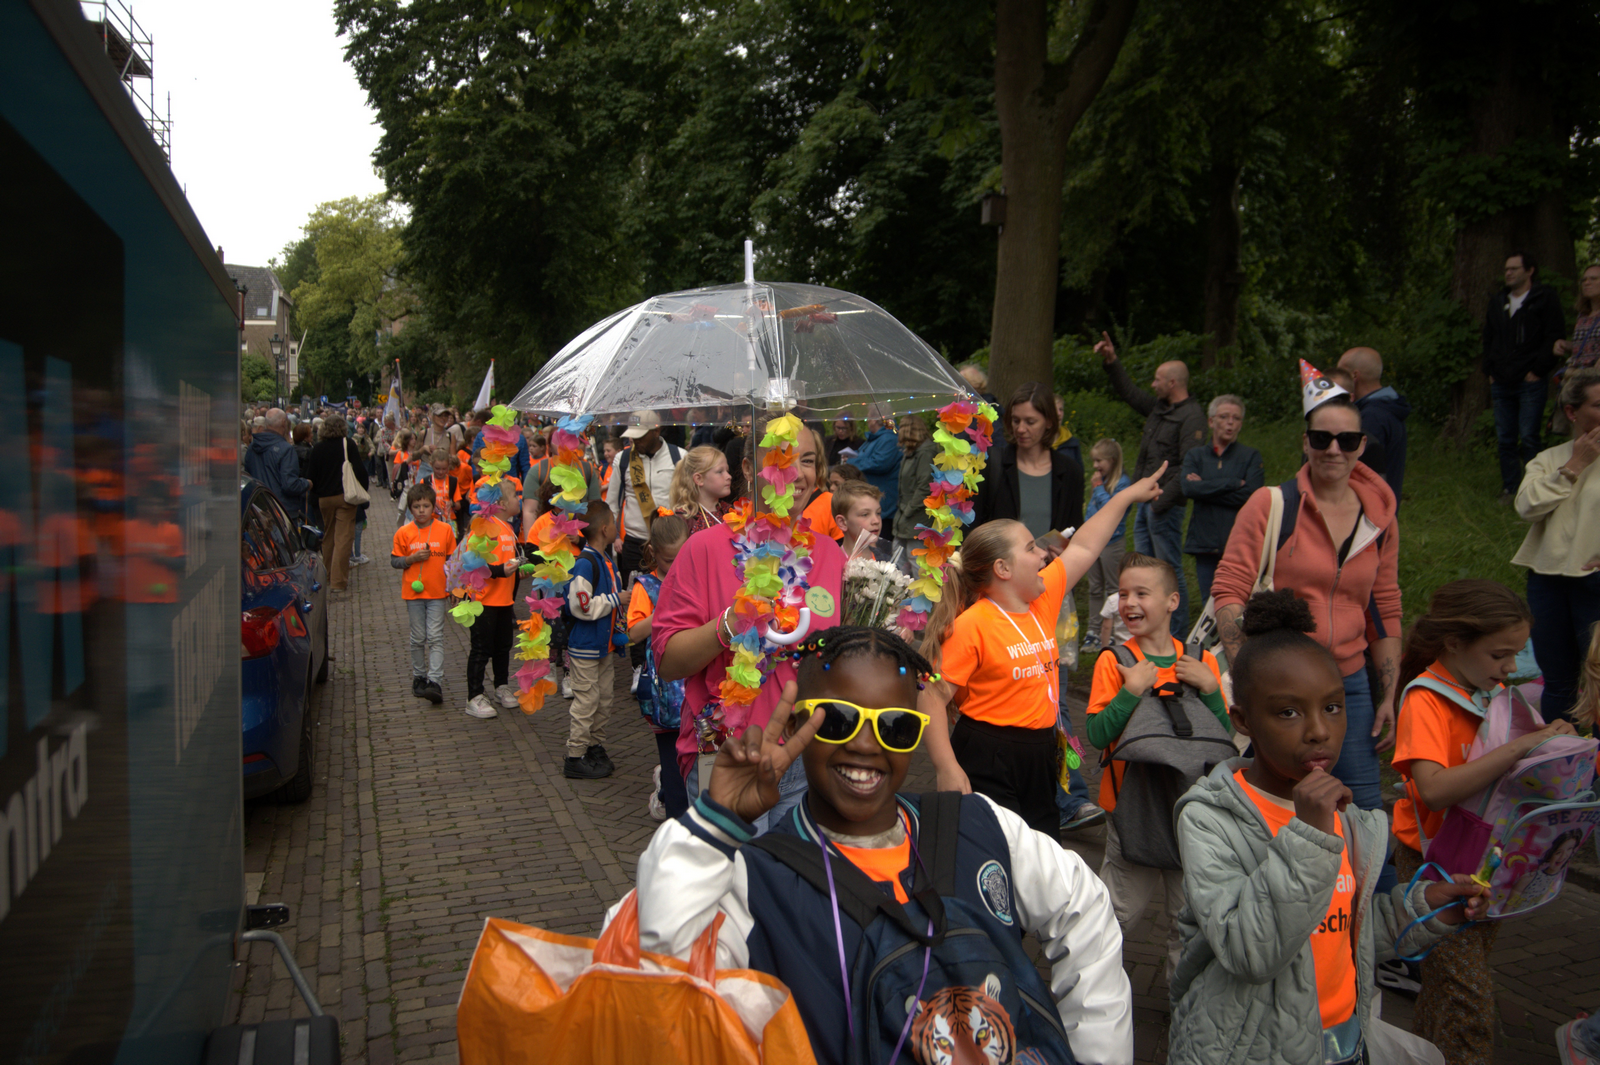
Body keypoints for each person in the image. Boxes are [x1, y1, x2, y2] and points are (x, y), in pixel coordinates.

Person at [629, 628, 1133, 1065]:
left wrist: (1096, 1053)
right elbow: (659, 965)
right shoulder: (752, 881)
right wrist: (714, 824)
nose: (866, 745)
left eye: (895, 726)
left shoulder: (977, 824)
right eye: (838, 720)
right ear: (800, 720)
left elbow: (1084, 907)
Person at [1169, 589, 1486, 1065]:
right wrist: (1311, 836)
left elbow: (1345, 932)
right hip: (1249, 1049)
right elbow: (1249, 952)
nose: (1318, 730)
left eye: (1332, 707)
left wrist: (1428, 909)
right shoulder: (1210, 819)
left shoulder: (1349, 818)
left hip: (1341, 1041)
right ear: (1243, 719)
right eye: (1288, 712)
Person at [919, 461, 1167, 836]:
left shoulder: (1042, 600)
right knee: (999, 849)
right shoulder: (973, 624)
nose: (1043, 555)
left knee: (1044, 847)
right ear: (1003, 569)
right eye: (1031, 548)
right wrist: (945, 766)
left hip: (1041, 749)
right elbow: (932, 698)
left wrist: (1127, 496)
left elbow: (1084, 544)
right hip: (989, 752)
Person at [1390, 579, 1575, 1065]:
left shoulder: (1489, 691)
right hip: (1435, 861)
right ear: (1454, 642)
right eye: (1500, 655)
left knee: (1446, 986)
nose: (1512, 668)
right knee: (1468, 997)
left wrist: (1555, 741)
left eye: (1517, 653)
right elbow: (1433, 788)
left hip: (1483, 860)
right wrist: (1522, 747)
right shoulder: (1425, 700)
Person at [652, 427, 864, 833]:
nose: (797, 473)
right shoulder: (705, 548)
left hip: (805, 756)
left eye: (806, 460)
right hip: (729, 752)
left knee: (786, 888)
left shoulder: (829, 556)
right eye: (780, 459)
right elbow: (668, 660)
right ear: (748, 468)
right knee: (730, 886)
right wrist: (731, 622)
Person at [1213, 383, 1401, 812]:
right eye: (1321, 438)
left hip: (1347, 682)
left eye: (1347, 440)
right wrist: (1248, 672)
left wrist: (1387, 694)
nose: (1333, 450)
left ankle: (1362, 882)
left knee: (1361, 808)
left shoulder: (1381, 520)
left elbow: (1385, 605)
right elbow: (1229, 589)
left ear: (1362, 446)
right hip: (1281, 683)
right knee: (1276, 802)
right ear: (1306, 442)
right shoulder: (1273, 505)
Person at [1087, 553, 1227, 975]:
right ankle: (1085, 991)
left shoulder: (1201, 660)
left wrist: (1210, 689)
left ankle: (1183, 1012)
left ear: (1172, 602)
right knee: (1115, 914)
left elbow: (1223, 740)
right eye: (1123, 592)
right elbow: (1096, 735)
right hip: (1133, 809)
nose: (1129, 602)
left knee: (1188, 922)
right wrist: (1130, 693)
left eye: (1141, 593)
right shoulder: (1114, 661)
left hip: (1193, 813)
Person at [1094, 333, 1207, 635]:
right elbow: (1130, 393)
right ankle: (1149, 630)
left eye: (1158, 380)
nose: (1153, 385)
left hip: (1163, 506)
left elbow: (1188, 466)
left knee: (1168, 571)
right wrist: (1111, 361)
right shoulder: (1160, 407)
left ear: (1173, 383)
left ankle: (1176, 633)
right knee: (1145, 571)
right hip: (1146, 503)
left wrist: (1160, 501)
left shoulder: (1192, 417)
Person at [1513, 366, 1600, 725]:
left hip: (1595, 582)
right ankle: (1560, 763)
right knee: (1558, 681)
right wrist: (1574, 465)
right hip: (1547, 580)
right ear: (1572, 412)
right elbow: (1527, 507)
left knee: (1598, 677)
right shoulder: (1548, 459)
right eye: (1598, 404)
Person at [1484, 250, 1569, 503]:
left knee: (1530, 435)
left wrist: (1538, 370)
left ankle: (1533, 487)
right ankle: (1510, 488)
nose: (1508, 273)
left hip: (1530, 380)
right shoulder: (1499, 301)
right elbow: (1489, 337)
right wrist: (1489, 370)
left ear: (1530, 271)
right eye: (1506, 269)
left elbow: (1554, 335)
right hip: (1501, 380)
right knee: (1505, 438)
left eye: (1514, 269)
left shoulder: (1544, 298)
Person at [626, 514, 692, 819]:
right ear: (654, 553)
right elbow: (634, 632)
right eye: (668, 560)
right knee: (672, 758)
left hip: (694, 685)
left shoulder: (695, 576)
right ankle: (675, 815)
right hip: (663, 692)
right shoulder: (647, 585)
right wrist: (664, 611)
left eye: (682, 557)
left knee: (692, 758)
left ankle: (668, 788)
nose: (675, 565)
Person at [1180, 394, 1264, 606]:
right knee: (1209, 604)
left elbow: (1252, 494)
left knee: (1238, 602)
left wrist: (1205, 486)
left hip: (1238, 543)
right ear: (1211, 421)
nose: (1230, 423)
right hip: (1205, 543)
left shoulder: (1250, 456)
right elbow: (1189, 488)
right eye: (1224, 417)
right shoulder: (1196, 456)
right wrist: (1233, 483)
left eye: (1236, 418)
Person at [563, 500, 627, 779]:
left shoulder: (605, 560)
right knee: (586, 701)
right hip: (586, 647)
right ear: (604, 529)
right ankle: (574, 755)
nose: (616, 527)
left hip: (604, 646)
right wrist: (615, 600)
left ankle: (594, 745)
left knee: (604, 700)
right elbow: (581, 606)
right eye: (614, 522)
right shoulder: (586, 564)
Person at [974, 382, 1085, 537]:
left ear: (1049, 422)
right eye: (1016, 420)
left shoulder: (1070, 471)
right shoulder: (992, 465)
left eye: (1030, 422)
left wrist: (1062, 548)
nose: (1020, 429)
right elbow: (975, 528)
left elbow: (1075, 531)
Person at [461, 479, 523, 721]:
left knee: (502, 647)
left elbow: (510, 560)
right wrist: (499, 572)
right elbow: (472, 561)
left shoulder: (508, 527)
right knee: (480, 649)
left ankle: (501, 686)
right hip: (484, 601)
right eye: (515, 496)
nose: (519, 499)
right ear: (501, 503)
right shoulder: (485, 526)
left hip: (504, 601)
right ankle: (474, 696)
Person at [392, 483, 456, 705]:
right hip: (413, 594)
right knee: (418, 638)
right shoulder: (404, 532)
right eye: (416, 506)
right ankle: (419, 676)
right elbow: (395, 560)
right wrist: (410, 559)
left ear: (433, 507)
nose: (421, 510)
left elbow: (453, 561)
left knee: (436, 636)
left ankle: (434, 681)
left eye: (425, 506)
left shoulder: (445, 530)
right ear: (410, 508)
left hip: (438, 593)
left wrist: (455, 587)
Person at [606, 410, 683, 586]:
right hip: (635, 543)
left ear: (656, 431)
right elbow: (612, 504)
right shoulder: (623, 458)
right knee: (636, 598)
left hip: (669, 543)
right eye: (632, 436)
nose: (634, 441)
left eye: (640, 436)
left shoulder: (679, 457)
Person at [306, 414, 368, 592]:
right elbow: (359, 471)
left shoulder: (317, 448)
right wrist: (362, 492)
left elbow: (312, 475)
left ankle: (325, 576)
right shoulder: (347, 445)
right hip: (345, 497)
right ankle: (338, 581)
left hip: (324, 499)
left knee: (328, 537)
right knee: (343, 538)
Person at [1081, 439, 1131, 658]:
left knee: (1113, 588)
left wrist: (1098, 488)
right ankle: (1093, 630)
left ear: (1112, 460)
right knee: (1095, 587)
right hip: (1094, 541)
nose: (1095, 466)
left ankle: (1113, 631)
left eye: (1099, 460)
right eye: (1093, 461)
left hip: (1112, 542)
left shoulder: (1122, 483)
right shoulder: (1100, 480)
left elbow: (1112, 508)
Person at [244, 408, 311, 522]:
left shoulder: (252, 447)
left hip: (259, 509)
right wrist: (306, 483)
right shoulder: (285, 450)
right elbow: (289, 485)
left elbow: (248, 476)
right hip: (282, 511)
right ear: (284, 424)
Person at [891, 414, 937, 569]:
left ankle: (919, 593)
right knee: (898, 557)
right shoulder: (911, 451)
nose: (898, 430)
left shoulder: (925, 453)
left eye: (902, 427)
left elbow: (925, 486)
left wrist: (909, 510)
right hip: (905, 514)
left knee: (915, 559)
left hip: (916, 515)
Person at [850, 412, 900, 536]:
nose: (866, 420)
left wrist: (851, 462)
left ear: (875, 420)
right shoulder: (875, 438)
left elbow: (879, 463)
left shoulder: (889, 438)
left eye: (868, 417)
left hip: (884, 502)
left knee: (880, 543)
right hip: (873, 499)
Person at [667, 445, 731, 534]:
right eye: (720, 472)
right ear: (699, 479)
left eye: (727, 471)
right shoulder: (684, 519)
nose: (729, 476)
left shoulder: (730, 511)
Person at [832, 480, 890, 561]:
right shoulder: (830, 564)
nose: (876, 521)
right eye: (865, 514)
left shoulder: (888, 564)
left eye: (878, 513)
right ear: (842, 522)